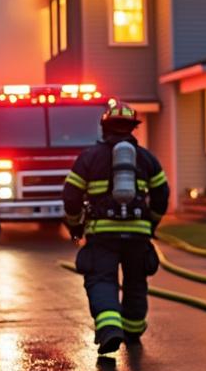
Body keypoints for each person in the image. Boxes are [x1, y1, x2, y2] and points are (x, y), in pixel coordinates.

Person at [63, 102, 170, 355]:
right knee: (136, 281)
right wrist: (151, 223)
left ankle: (110, 329)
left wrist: (76, 225)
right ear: (133, 128)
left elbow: (70, 195)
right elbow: (162, 195)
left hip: (102, 233)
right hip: (138, 234)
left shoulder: (89, 157)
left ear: (104, 127)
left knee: (102, 280)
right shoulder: (147, 159)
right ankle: (133, 330)